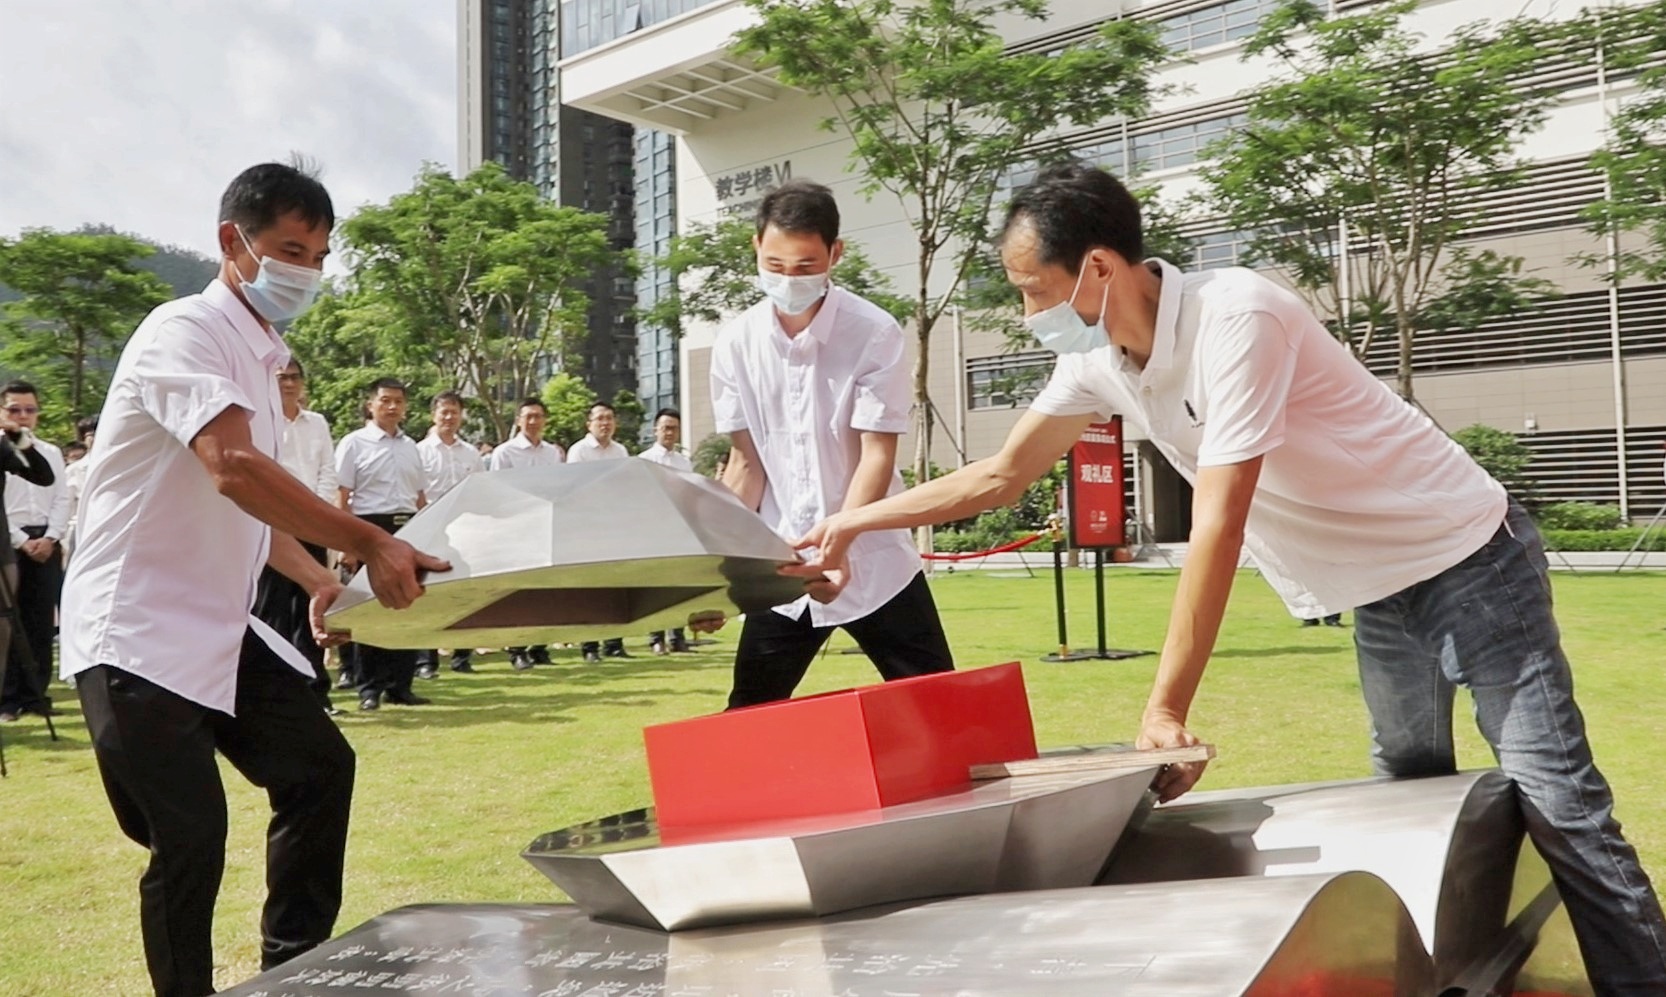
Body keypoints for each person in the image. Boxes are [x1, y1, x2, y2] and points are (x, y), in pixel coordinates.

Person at [788, 161, 1666, 993]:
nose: (1028, 312)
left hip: (1469, 553)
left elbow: (1218, 522)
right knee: (1410, 795)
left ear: (1096, 268)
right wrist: (851, 521)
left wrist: (1165, 706)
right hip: (1375, 587)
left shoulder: (1236, 316)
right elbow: (998, 477)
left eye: (1032, 289)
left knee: (1562, 804)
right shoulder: (1094, 360)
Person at [60, 161, 448, 997]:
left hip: (222, 624)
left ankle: (293, 970)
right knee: (188, 835)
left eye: (317, 254)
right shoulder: (183, 330)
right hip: (134, 628)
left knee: (318, 768)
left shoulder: (263, 354)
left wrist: (315, 575)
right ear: (232, 242)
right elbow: (231, 467)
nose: (304, 271)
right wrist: (367, 544)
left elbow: (251, 504)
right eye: (289, 249)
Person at [710, 179, 954, 709]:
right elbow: (745, 466)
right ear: (756, 246)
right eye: (775, 266)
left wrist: (838, 545)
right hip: (784, 564)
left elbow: (877, 454)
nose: (789, 279)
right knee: (747, 715)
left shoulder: (874, 332)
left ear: (834, 254)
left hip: (874, 559)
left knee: (940, 703)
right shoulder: (735, 343)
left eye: (805, 266)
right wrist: (714, 575)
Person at [251, 359, 339, 714]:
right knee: (271, 611)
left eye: (294, 377)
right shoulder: (259, 420)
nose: (288, 384)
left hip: (311, 524)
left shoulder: (316, 423)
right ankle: (275, 694)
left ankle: (316, 690)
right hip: (272, 525)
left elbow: (328, 472)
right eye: (281, 378)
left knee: (314, 610)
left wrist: (313, 514)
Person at [335, 378, 429, 710]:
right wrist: (347, 545)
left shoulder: (411, 446)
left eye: (398, 401)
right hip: (368, 529)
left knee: (407, 606)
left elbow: (419, 497)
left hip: (407, 528)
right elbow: (342, 496)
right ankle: (369, 688)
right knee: (371, 609)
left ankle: (400, 686)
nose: (392, 407)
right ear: (370, 405)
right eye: (385, 400)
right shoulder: (354, 443)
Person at [1, 381, 67, 720]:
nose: (23, 416)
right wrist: (20, 541)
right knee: (8, 622)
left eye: (30, 410)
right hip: (8, 542)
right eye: (14, 409)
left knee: (41, 621)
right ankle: (8, 699)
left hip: (46, 542)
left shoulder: (50, 453)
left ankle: (36, 694)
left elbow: (61, 497)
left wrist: (51, 537)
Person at [490, 397, 563, 670]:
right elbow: (496, 492)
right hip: (516, 528)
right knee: (519, 591)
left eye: (538, 416)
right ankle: (517, 649)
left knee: (546, 589)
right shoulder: (505, 453)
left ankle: (540, 646)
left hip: (545, 526)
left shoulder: (552, 453)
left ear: (544, 420)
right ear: (519, 420)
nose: (533, 421)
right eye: (528, 416)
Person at [416, 390, 485, 675]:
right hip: (430, 529)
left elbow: (481, 490)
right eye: (444, 412)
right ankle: (426, 661)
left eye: (454, 412)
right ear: (434, 415)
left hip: (464, 528)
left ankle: (462, 656)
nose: (449, 417)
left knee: (464, 592)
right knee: (426, 594)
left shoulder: (470, 453)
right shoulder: (419, 451)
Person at [567, 401, 631, 663]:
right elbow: (574, 489)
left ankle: (614, 643)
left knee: (616, 586)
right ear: (589, 423)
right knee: (591, 588)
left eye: (609, 418)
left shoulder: (621, 451)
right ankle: (590, 646)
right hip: (587, 526)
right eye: (600, 419)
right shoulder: (579, 451)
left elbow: (627, 486)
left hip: (614, 526)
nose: (605, 423)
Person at [639, 407, 694, 654]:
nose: (669, 432)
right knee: (657, 584)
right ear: (655, 431)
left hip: (679, 529)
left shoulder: (684, 462)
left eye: (674, 428)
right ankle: (655, 638)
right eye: (665, 428)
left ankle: (677, 637)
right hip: (654, 529)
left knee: (680, 584)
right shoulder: (644, 460)